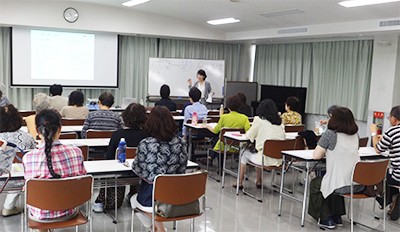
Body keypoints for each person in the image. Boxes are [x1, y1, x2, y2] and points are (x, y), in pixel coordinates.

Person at [23, 109, 86, 231]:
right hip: (70, 211)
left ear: (37, 131)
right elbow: (82, 178)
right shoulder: (76, 152)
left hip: (40, 216)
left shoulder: (29, 158)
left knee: (40, 200)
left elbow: (29, 188)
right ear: (60, 129)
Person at [130, 106, 188, 232]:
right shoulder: (181, 143)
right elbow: (182, 169)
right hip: (176, 195)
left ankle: (156, 227)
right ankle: (158, 228)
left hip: (152, 196)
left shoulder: (146, 144)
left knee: (133, 200)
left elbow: (138, 169)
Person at [308, 107, 360, 229]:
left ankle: (325, 218)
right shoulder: (355, 136)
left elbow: (316, 156)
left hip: (340, 184)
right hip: (355, 183)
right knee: (335, 179)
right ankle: (337, 216)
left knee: (317, 183)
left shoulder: (330, 134)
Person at [93, 103, 148, 213]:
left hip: (119, 174)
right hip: (141, 174)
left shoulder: (118, 134)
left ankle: (101, 200)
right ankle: (134, 194)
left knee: (113, 205)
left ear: (125, 116)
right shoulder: (146, 135)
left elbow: (109, 157)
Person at [236, 99, 285, 189]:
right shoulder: (280, 123)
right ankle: (258, 181)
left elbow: (249, 136)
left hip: (264, 159)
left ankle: (240, 182)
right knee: (259, 151)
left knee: (243, 153)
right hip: (279, 160)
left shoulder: (258, 120)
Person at [0, 104, 36, 217]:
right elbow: (33, 158)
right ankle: (8, 207)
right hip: (19, 180)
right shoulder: (27, 137)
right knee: (19, 170)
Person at [370, 105, 400, 221]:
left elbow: (377, 148)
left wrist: (374, 133)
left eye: (389, 118)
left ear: (394, 118)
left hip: (397, 176)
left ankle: (384, 200)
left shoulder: (392, 131)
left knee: (380, 175)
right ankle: (393, 200)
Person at [207, 95, 251, 168]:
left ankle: (220, 168)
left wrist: (207, 126)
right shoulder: (244, 118)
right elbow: (249, 132)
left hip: (224, 146)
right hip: (238, 146)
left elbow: (215, 131)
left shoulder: (224, 117)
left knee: (218, 141)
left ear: (228, 106)